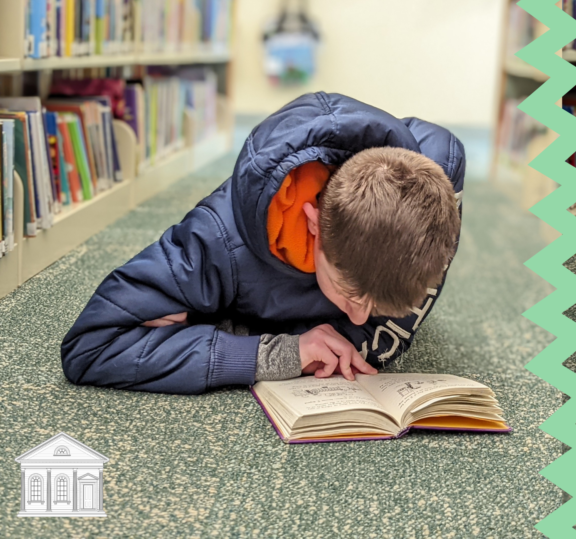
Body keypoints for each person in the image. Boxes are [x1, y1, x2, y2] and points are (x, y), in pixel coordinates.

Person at [60, 92, 464, 395]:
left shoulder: (439, 176)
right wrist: (274, 352)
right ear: (313, 225)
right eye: (349, 293)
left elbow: (367, 338)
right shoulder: (215, 241)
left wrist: (216, 325)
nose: (360, 320)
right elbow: (91, 345)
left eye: (372, 305)